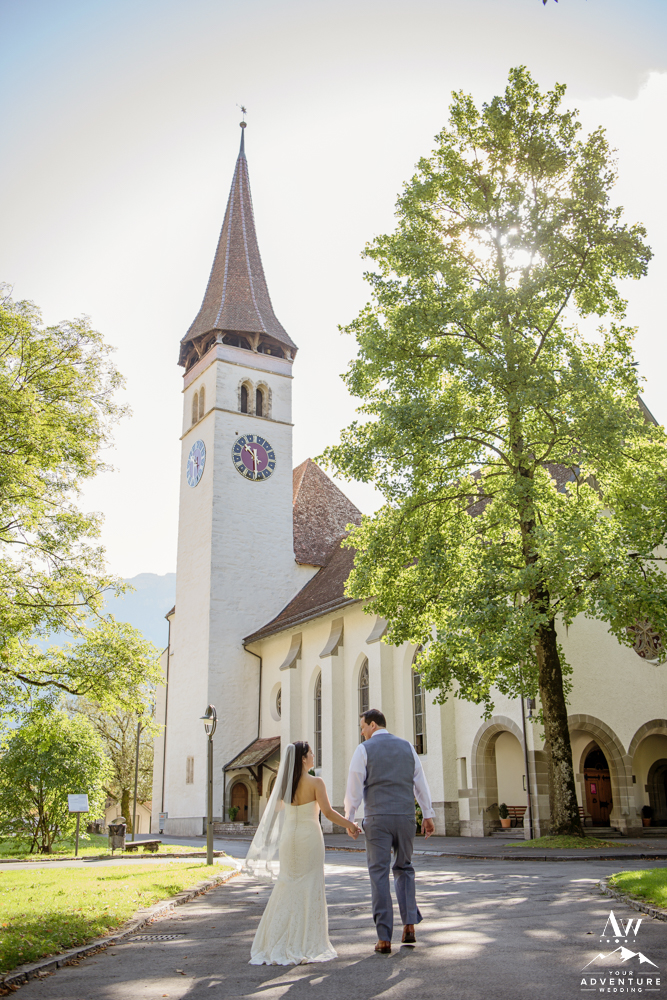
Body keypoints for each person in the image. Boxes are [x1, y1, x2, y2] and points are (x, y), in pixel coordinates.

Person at [245, 740, 361, 965]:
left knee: (287, 884)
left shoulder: (285, 786)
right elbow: (327, 812)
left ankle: (277, 940)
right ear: (302, 758)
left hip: (289, 839)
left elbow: (276, 809)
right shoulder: (316, 782)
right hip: (309, 838)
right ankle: (306, 941)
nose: (313, 755)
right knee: (310, 886)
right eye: (310, 753)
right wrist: (350, 825)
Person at [344, 708, 435, 954]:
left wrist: (349, 819)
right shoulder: (407, 747)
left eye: (362, 727)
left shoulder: (364, 750)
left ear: (373, 725)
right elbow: (420, 783)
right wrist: (427, 815)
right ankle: (409, 927)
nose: (362, 733)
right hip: (405, 818)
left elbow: (354, 785)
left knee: (379, 875)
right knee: (405, 868)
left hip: (378, 819)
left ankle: (384, 938)